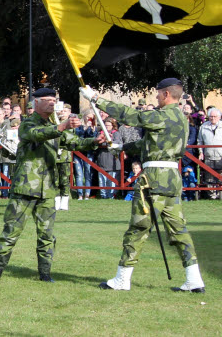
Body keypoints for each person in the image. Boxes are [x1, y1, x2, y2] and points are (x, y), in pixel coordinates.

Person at [83, 78, 206, 293]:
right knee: (179, 230)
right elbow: (147, 143)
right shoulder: (181, 119)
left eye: (158, 93)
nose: (156, 97)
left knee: (139, 228)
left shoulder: (160, 115)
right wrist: (123, 147)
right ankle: (194, 278)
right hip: (172, 178)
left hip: (154, 178)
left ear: (166, 94)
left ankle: (123, 278)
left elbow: (133, 116)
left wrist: (96, 99)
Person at [0, 88, 103, 283]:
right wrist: (62, 126)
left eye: (53, 100)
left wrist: (94, 141)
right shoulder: (27, 124)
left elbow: (73, 142)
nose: (51, 103)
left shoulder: (55, 125)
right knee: (11, 231)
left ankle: (45, 273)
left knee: (47, 234)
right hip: (25, 187)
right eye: (47, 100)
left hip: (47, 188)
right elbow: (36, 134)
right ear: (36, 103)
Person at [197, 108, 222, 198]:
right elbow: (200, 141)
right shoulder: (204, 126)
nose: (213, 118)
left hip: (220, 155)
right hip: (208, 155)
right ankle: (211, 194)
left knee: (220, 174)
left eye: (215, 116)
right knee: (208, 175)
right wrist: (201, 152)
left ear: (219, 117)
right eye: (211, 116)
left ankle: (221, 192)